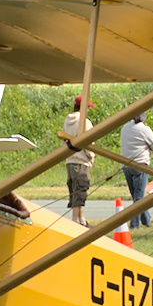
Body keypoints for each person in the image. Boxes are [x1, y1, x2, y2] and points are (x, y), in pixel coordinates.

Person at [120, 111, 153, 228]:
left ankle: (146, 220)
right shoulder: (144, 129)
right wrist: (152, 148)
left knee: (136, 196)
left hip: (126, 165)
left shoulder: (125, 128)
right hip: (140, 164)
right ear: (143, 118)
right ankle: (134, 224)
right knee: (139, 197)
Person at [62, 96, 94, 227]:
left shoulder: (67, 121)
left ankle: (81, 217)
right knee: (81, 189)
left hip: (70, 159)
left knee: (74, 189)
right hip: (81, 160)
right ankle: (76, 220)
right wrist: (90, 156)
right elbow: (89, 141)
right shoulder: (84, 122)